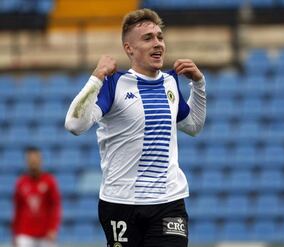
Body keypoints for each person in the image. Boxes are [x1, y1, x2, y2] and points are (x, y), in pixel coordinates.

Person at [64, 8, 206, 247]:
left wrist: (199, 85)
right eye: (148, 38)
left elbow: (193, 126)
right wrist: (97, 76)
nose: (158, 43)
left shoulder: (171, 82)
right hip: (120, 203)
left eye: (160, 37)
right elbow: (74, 124)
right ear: (129, 48)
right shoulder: (114, 84)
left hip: (168, 200)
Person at [12, 146, 61, 247]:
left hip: (45, 234)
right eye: (30, 160)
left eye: (35, 159)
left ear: (40, 160)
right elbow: (17, 209)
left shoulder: (49, 181)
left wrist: (53, 228)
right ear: (27, 162)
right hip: (25, 233)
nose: (33, 163)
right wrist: (15, 234)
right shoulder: (21, 183)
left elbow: (55, 207)